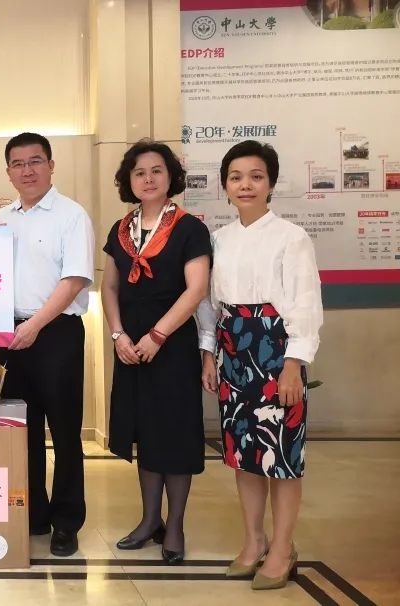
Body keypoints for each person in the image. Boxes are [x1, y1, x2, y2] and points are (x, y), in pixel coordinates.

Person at [199, 140, 322, 590]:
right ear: (225, 186)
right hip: (233, 351)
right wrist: (208, 353)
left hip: (276, 351)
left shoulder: (292, 237)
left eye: (255, 176)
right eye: (235, 177)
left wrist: (294, 364)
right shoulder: (219, 239)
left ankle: (283, 548)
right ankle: (253, 541)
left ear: (270, 183)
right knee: (245, 454)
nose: (245, 185)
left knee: (283, 456)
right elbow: (209, 305)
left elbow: (306, 303)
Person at [101, 140, 212, 564]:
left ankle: (175, 525)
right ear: (128, 181)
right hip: (130, 347)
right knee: (145, 433)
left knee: (175, 436)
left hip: (172, 345)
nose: (148, 179)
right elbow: (110, 287)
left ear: (171, 177)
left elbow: (196, 289)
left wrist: (158, 335)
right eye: (139, 173)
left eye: (156, 171)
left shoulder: (189, 228)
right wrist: (118, 335)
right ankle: (150, 520)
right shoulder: (121, 229)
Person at [0, 132, 94, 557]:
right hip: (9, 336)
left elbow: (74, 280)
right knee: (20, 430)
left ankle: (66, 522)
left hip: (56, 334)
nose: (27, 170)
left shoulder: (71, 215)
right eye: (18, 164)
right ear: (8, 172)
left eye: (35, 161)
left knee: (65, 432)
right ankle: (33, 513)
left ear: (51, 166)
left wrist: (34, 324)